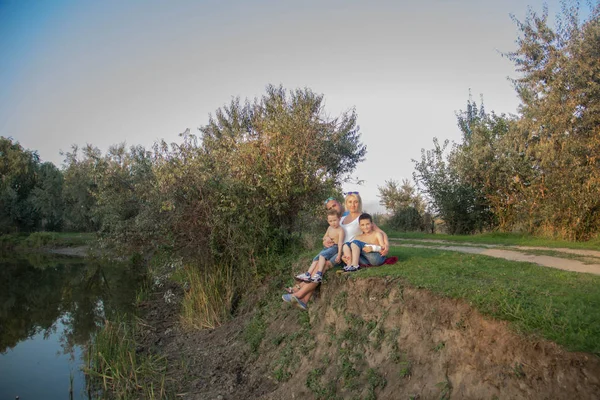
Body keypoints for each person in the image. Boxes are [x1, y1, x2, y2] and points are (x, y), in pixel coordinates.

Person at [283, 193, 390, 310]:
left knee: (324, 265)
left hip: (348, 251)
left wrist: (386, 245)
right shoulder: (342, 218)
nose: (353, 205)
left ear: (359, 203)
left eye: (355, 202)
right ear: (346, 203)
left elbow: (381, 232)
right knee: (319, 262)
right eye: (350, 202)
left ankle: (299, 295)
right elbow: (329, 233)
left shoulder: (362, 218)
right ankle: (304, 299)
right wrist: (326, 240)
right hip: (337, 247)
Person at [295, 209, 345, 283]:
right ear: (328, 221)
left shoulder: (340, 230)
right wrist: (327, 238)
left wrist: (339, 255)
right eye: (330, 221)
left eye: (335, 220)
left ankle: (319, 274)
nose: (333, 223)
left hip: (335, 247)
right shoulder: (329, 228)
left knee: (322, 255)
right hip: (327, 247)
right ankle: (308, 274)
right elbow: (324, 237)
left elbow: (340, 242)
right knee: (315, 259)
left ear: (339, 219)